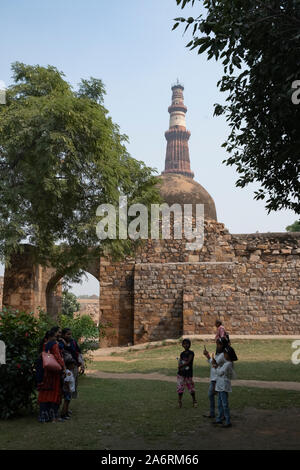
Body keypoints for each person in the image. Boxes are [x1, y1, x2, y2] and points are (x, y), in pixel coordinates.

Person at [37, 326, 66, 423]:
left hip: (45, 373)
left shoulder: (44, 344)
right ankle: (54, 417)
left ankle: (44, 416)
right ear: (53, 335)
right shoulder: (54, 345)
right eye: (58, 333)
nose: (59, 335)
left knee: (44, 393)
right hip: (54, 373)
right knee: (54, 393)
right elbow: (58, 357)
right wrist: (64, 368)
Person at [213, 345, 238, 428]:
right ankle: (219, 418)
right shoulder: (227, 363)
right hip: (221, 385)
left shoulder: (228, 364)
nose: (223, 355)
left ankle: (227, 421)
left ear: (228, 354)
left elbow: (220, 373)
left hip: (223, 386)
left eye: (225, 353)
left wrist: (216, 367)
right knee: (220, 403)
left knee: (224, 403)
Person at [59, 328, 84, 407]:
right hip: (66, 368)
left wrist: (82, 364)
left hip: (74, 366)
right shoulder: (60, 343)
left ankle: (66, 408)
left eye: (70, 334)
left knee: (72, 387)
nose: (69, 336)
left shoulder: (73, 341)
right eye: (68, 334)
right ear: (63, 335)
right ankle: (64, 410)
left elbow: (78, 352)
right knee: (66, 388)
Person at [202, 338, 226, 419]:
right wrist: (208, 356)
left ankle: (221, 415)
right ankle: (216, 413)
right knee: (214, 396)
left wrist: (215, 381)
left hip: (217, 380)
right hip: (214, 379)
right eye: (217, 344)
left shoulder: (223, 355)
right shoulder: (218, 354)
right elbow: (213, 363)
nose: (217, 346)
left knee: (220, 398)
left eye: (219, 344)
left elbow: (216, 366)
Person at [177, 338, 197, 408]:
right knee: (180, 387)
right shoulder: (182, 354)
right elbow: (181, 361)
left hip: (188, 373)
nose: (186, 345)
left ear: (190, 345)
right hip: (181, 373)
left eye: (187, 343)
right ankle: (179, 401)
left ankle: (194, 401)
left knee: (191, 388)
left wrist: (180, 366)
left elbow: (188, 362)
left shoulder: (191, 353)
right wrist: (179, 365)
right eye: (184, 344)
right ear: (182, 345)